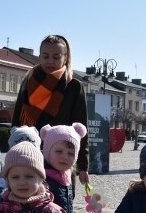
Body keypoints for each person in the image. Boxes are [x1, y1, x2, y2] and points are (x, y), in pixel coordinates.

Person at [12, 34, 90, 184]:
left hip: (62, 159)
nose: (50, 61)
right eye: (45, 56)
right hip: (31, 156)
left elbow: (81, 128)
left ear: (65, 58)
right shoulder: (29, 82)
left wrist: (83, 166)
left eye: (56, 57)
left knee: (61, 203)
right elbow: (17, 122)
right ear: (39, 56)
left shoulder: (74, 86)